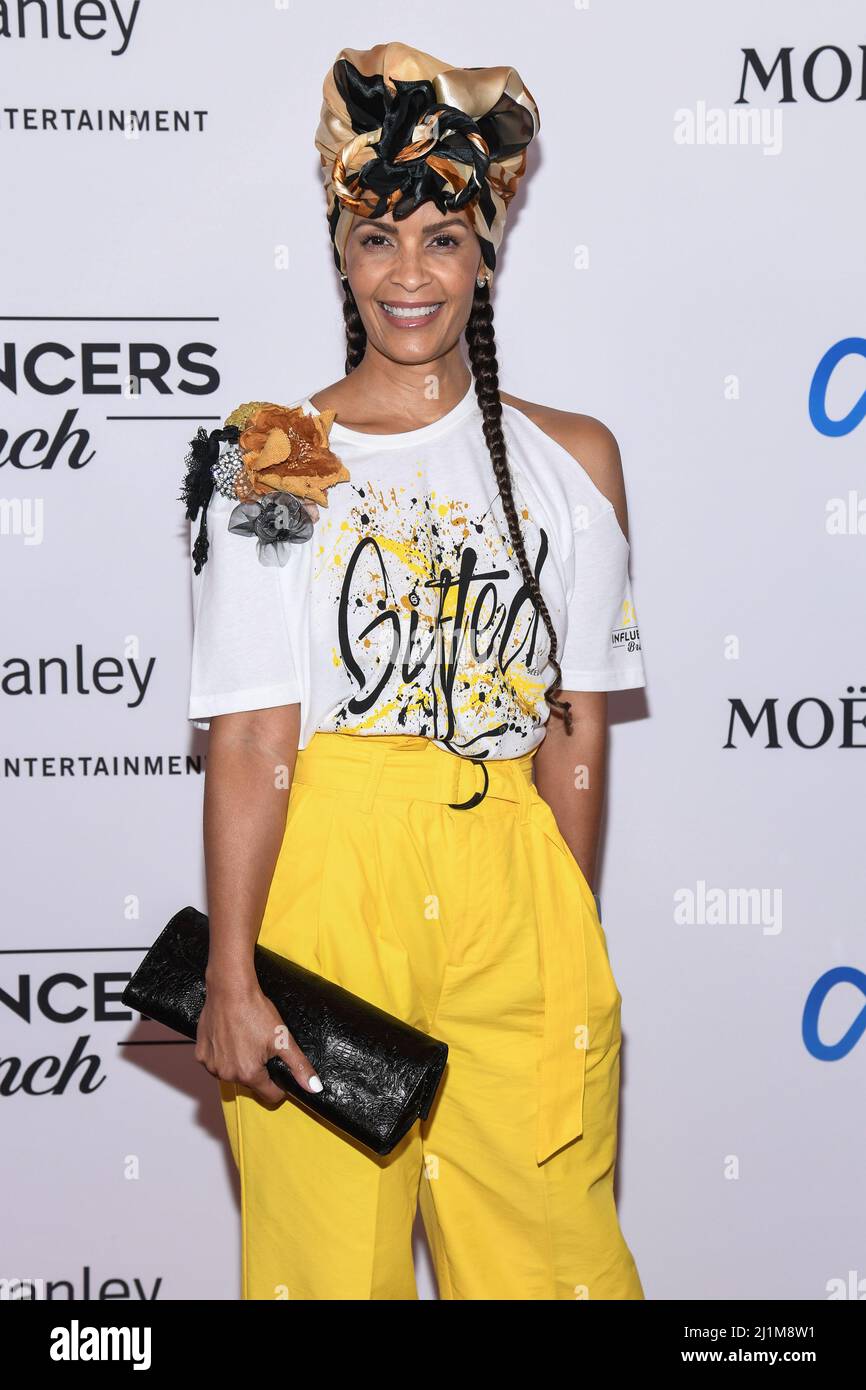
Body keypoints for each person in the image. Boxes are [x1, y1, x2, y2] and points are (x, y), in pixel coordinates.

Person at [183, 41, 647, 1301]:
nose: (409, 273)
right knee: (328, 1272)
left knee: (555, 1268)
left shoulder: (576, 457)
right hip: (330, 885)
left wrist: (566, 928)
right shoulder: (275, 451)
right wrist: (233, 973)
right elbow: (247, 732)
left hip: (516, 883)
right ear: (339, 248)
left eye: (443, 237)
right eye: (378, 235)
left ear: (485, 254)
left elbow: (575, 726)